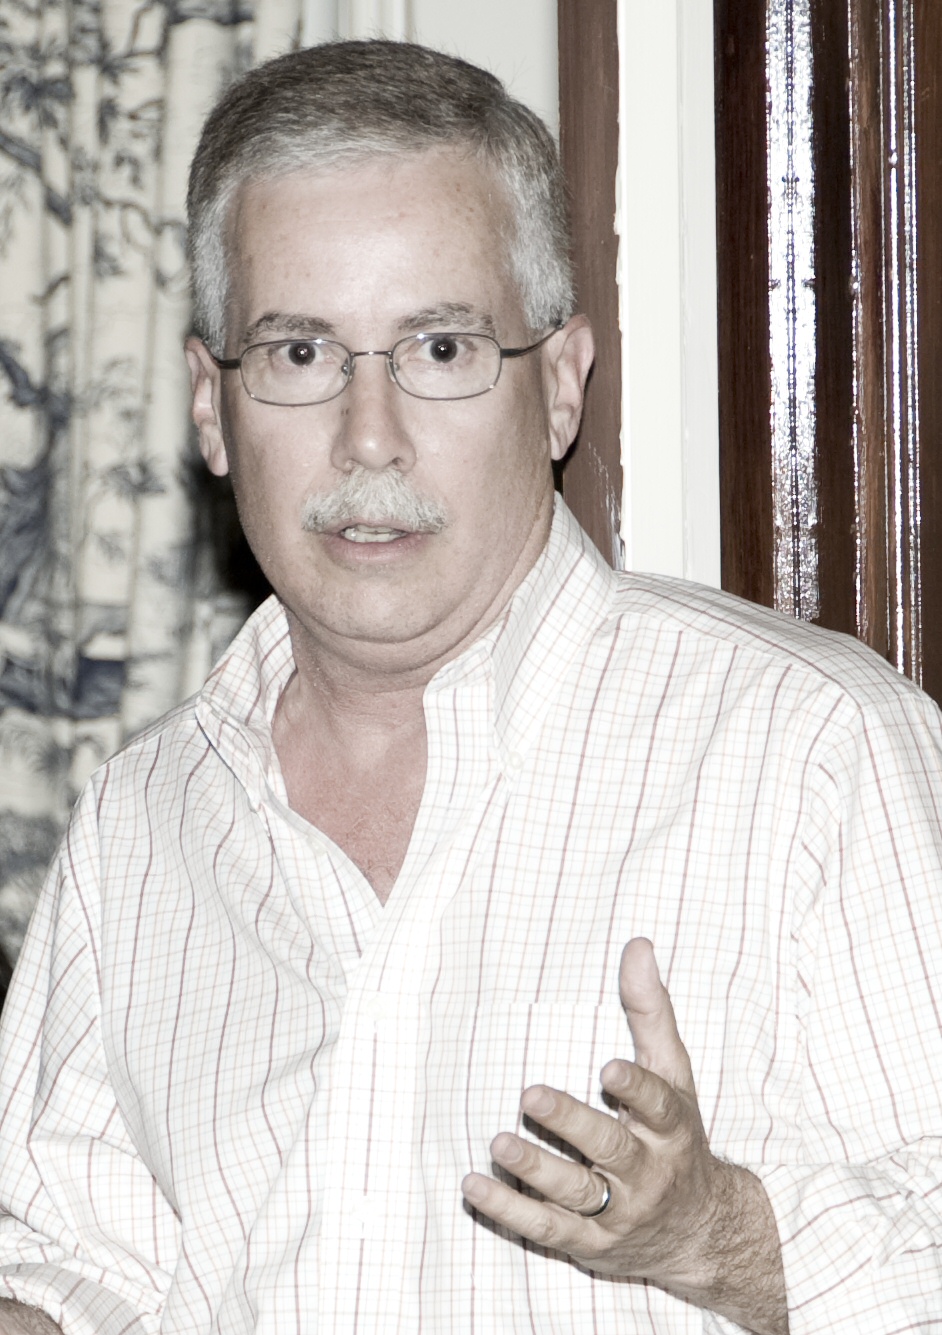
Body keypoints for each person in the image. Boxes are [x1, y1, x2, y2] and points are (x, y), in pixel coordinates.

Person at [0, 38, 941, 1335]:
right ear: (211, 408)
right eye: (298, 354)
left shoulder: (814, 749)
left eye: (440, 348)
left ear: (558, 386)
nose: (368, 437)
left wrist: (716, 1235)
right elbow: (68, 1261)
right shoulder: (140, 821)